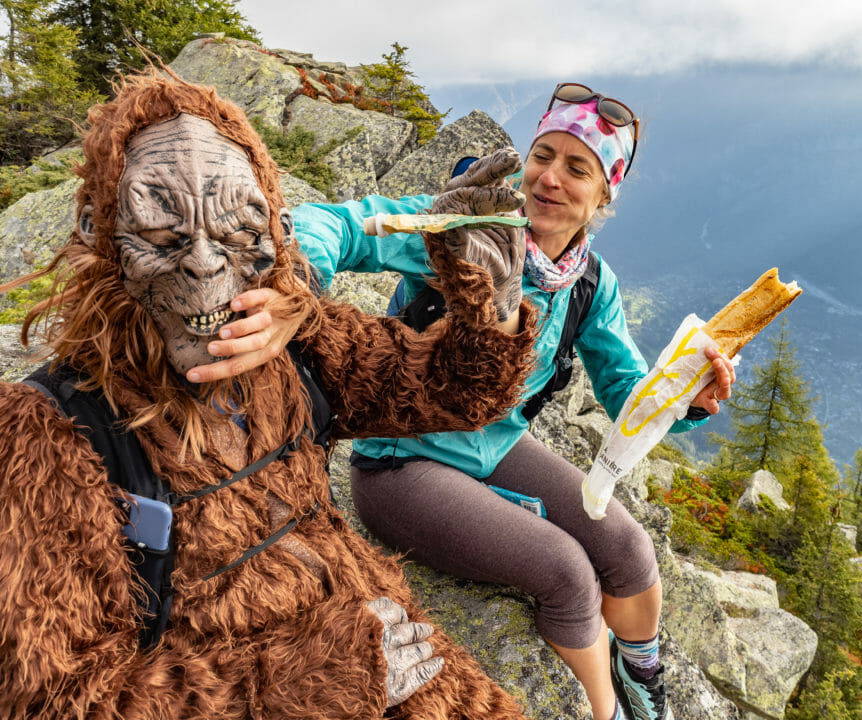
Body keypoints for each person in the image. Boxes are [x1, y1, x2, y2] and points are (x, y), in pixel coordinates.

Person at [0, 73, 540, 720]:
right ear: (99, 232)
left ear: (275, 226)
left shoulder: (293, 345)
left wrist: (494, 304)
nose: (203, 263)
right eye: (163, 234)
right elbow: (61, 699)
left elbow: (448, 395)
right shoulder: (51, 438)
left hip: (405, 659)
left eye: (236, 228)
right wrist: (307, 682)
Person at [196, 82, 736, 720]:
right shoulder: (465, 228)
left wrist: (684, 400)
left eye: (577, 167)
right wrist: (299, 283)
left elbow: (629, 402)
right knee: (566, 570)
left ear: (603, 195)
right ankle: (606, 712)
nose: (549, 178)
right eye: (543, 155)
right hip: (403, 464)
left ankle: (641, 674)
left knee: (630, 551)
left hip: (497, 444)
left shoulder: (592, 284)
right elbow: (336, 223)